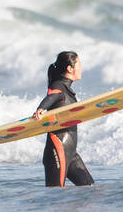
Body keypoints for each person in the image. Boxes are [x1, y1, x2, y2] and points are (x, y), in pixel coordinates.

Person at [31, 51, 94, 187]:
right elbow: (52, 97)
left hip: (71, 153)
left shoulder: (68, 90)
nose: (81, 68)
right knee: (55, 194)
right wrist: (41, 109)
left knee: (89, 188)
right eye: (79, 64)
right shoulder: (58, 86)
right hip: (57, 150)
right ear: (70, 69)